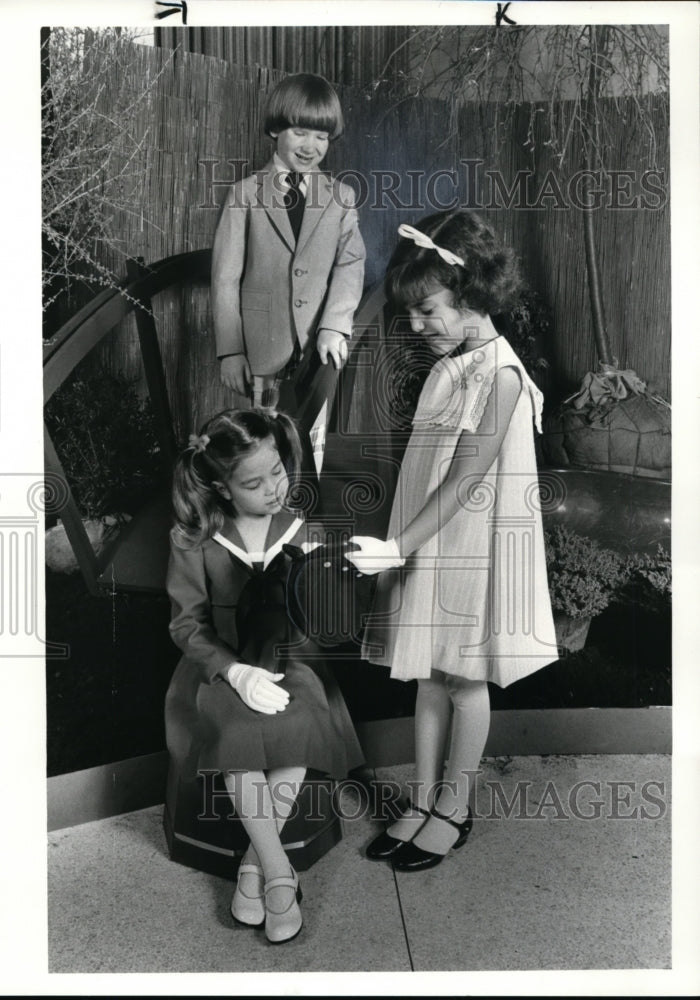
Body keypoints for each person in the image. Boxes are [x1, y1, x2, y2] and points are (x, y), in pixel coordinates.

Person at [346, 212, 558, 871]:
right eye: (410, 314)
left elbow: (468, 479)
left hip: (472, 546)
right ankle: (420, 799)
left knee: (464, 677)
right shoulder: (452, 365)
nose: (416, 327)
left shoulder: (499, 377)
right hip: (433, 541)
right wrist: (408, 543)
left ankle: (454, 807)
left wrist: (398, 545)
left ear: (469, 296)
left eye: (427, 310)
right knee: (428, 675)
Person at [164, 407, 363, 942]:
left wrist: (345, 573)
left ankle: (257, 867)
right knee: (235, 732)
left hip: (292, 657)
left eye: (277, 471)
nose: (275, 488)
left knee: (297, 721)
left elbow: (325, 617)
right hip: (221, 667)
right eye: (254, 483)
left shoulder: (303, 527)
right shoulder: (192, 540)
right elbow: (186, 625)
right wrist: (233, 672)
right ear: (222, 488)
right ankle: (280, 874)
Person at [211, 72, 366, 415]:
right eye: (299, 132)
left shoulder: (342, 197)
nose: (311, 146)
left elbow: (350, 265)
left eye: (322, 136)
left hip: (319, 348)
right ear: (274, 130)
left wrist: (334, 326)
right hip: (262, 353)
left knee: (312, 446)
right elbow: (225, 279)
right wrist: (231, 351)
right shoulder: (244, 194)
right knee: (267, 438)